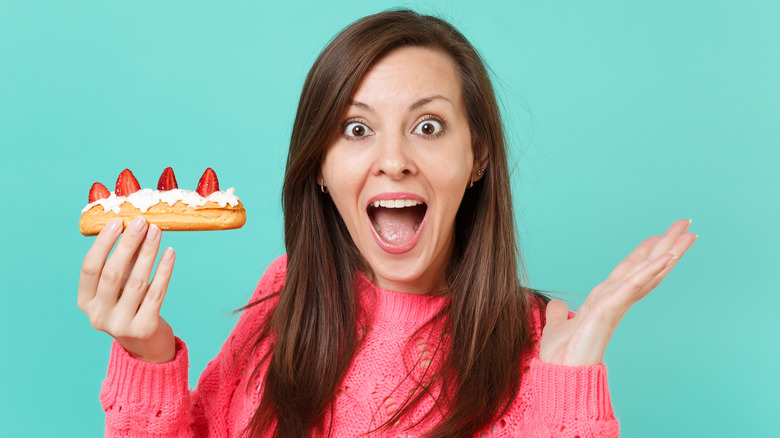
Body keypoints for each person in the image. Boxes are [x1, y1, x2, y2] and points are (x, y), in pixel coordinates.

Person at [77, 9, 696, 438]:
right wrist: (147, 355)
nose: (394, 160)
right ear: (319, 166)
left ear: (477, 155)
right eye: (356, 129)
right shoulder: (285, 296)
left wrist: (569, 386)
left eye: (428, 127)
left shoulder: (542, 343)